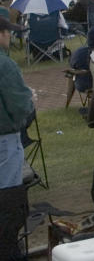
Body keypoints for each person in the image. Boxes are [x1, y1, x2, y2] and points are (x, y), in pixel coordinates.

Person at [0, 17, 33, 189]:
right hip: (4, 136)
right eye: (8, 32)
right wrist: (29, 104)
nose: (10, 36)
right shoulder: (5, 64)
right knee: (8, 193)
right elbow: (19, 105)